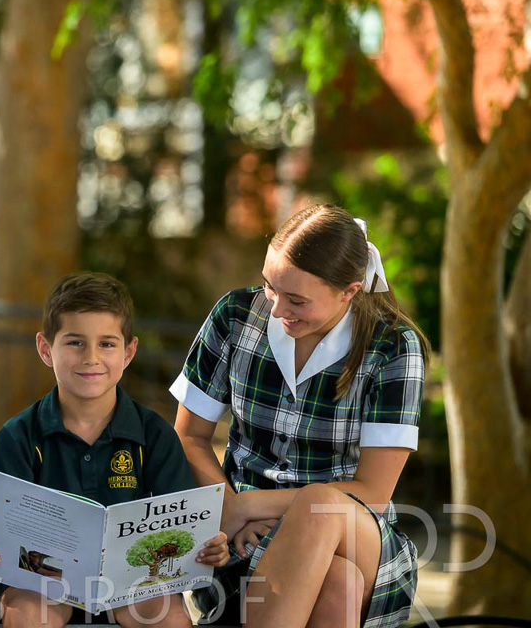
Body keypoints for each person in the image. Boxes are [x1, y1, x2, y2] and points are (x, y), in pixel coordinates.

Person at [170, 204, 427, 628]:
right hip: (241, 536)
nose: (275, 308)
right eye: (269, 286)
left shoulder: (393, 347)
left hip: (357, 536)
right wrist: (229, 507)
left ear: (349, 291)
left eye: (296, 300)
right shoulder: (235, 316)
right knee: (338, 584)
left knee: (319, 503)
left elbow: (373, 493)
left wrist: (248, 504)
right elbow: (189, 437)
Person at [0, 272, 230, 628]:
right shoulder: (17, 437)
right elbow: (4, 537)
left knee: (168, 616)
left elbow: (184, 528)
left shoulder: (155, 435)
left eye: (106, 344)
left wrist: (208, 548)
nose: (91, 357)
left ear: (129, 351)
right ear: (45, 349)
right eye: (75, 342)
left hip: (134, 582)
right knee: (29, 614)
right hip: (40, 581)